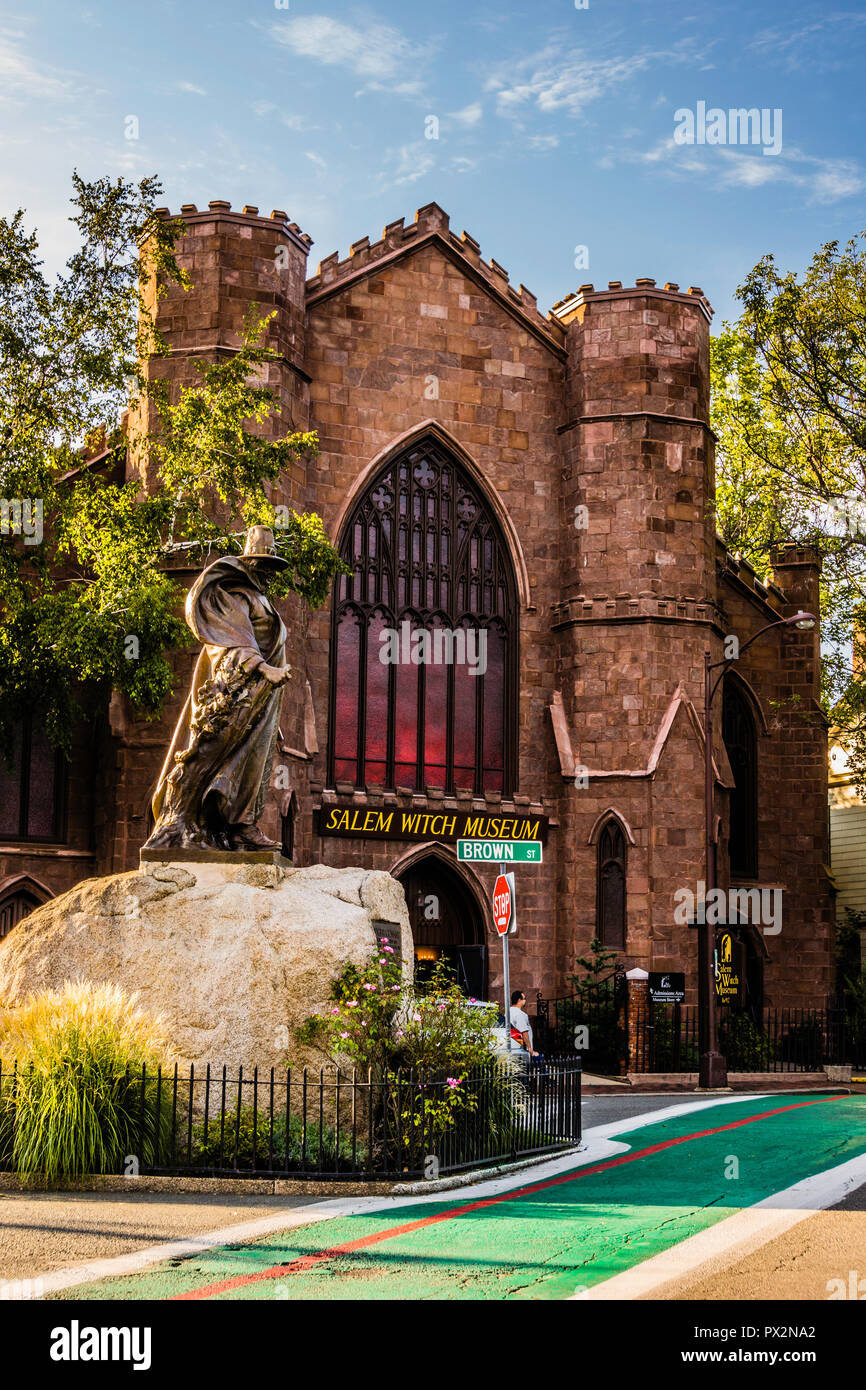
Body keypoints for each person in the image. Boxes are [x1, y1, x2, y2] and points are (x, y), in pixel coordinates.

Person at [143, 526, 293, 852]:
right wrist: (263, 668)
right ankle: (179, 824)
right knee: (211, 755)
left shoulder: (262, 599)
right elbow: (233, 640)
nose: (268, 572)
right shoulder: (233, 596)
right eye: (262, 565)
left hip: (262, 698)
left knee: (255, 760)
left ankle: (242, 826)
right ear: (247, 563)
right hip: (235, 694)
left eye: (271, 566)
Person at [509, 990, 540, 1057]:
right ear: (519, 1000)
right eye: (524, 999)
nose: (525, 1001)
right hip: (522, 1049)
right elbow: (524, 1032)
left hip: (512, 1046)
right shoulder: (520, 1014)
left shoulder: (508, 1012)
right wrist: (529, 1048)